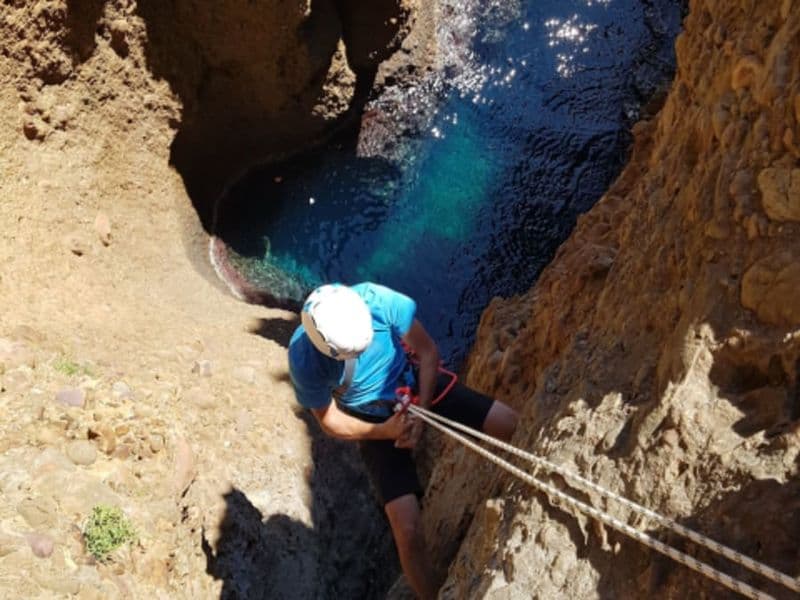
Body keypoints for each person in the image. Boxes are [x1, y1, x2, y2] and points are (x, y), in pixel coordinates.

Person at [288, 282, 518, 599]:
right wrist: (387, 431)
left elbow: (426, 353)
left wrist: (420, 414)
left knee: (509, 423)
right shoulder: (304, 359)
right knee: (407, 532)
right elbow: (330, 420)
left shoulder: (377, 300)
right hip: (374, 421)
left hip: (413, 385)